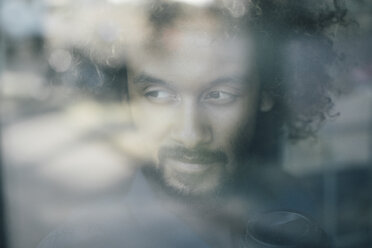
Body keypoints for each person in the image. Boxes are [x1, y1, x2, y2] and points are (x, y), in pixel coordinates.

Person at [38, 0, 346, 247]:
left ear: (267, 91)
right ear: (127, 95)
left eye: (220, 94)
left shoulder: (296, 214)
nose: (190, 133)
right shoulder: (84, 242)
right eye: (158, 93)